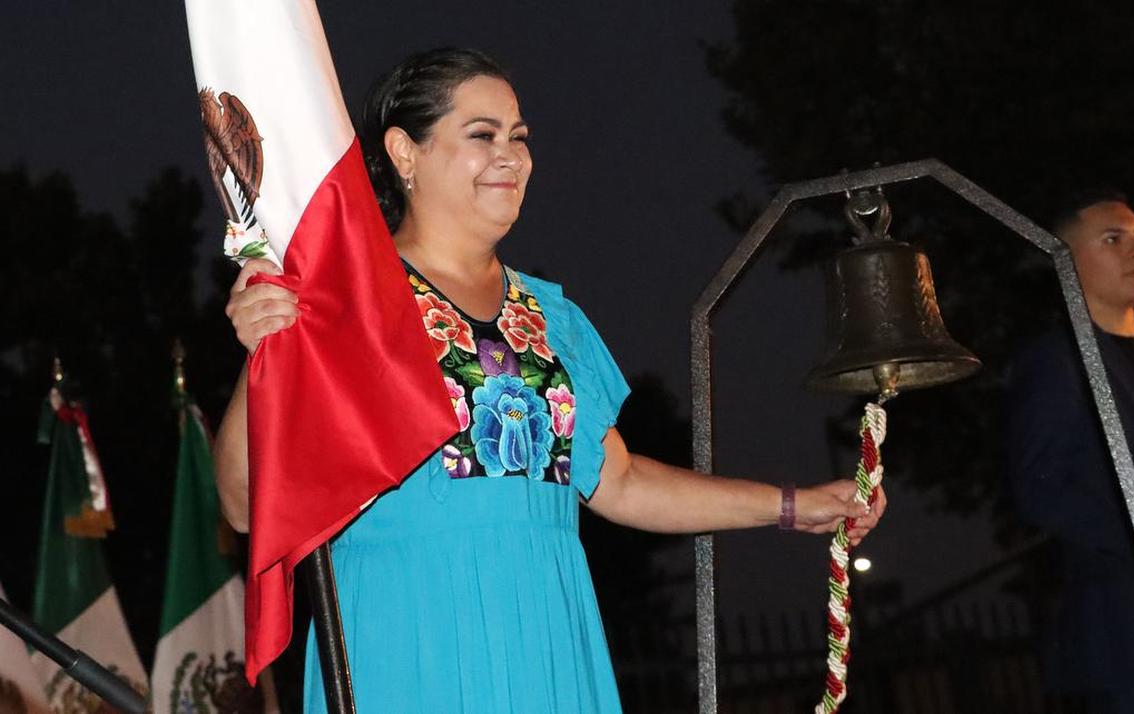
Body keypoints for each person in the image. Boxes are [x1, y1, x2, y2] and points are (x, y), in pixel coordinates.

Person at [213, 48, 886, 713]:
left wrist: (792, 505)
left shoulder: (550, 314)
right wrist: (262, 354)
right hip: (406, 640)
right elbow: (246, 505)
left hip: (550, 634)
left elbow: (617, 480)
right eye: (482, 135)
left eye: (519, 137)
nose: (511, 155)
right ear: (404, 152)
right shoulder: (342, 302)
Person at [1007, 189, 1134, 712]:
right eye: (1113, 239)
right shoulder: (1058, 360)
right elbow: (1040, 487)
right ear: (1066, 258)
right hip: (1127, 631)